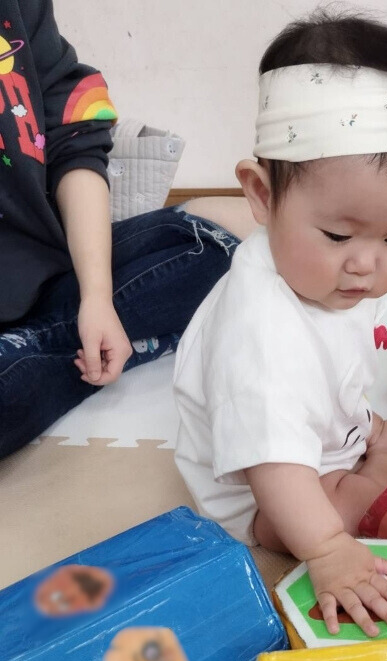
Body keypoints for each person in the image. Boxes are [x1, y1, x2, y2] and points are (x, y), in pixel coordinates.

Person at [173, 11, 387, 636]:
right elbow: (275, 466)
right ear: (262, 195)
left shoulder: (320, 273)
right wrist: (329, 551)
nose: (365, 264)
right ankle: (386, 462)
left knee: (347, 401)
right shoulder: (260, 337)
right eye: (337, 235)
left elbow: (332, 370)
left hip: (316, 428)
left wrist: (361, 417)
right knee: (358, 511)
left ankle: (371, 436)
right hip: (261, 493)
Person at [0, 0, 237, 457]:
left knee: (222, 244)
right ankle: (78, 347)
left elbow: (74, 137)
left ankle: (51, 344)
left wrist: (96, 296)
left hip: (46, 276)